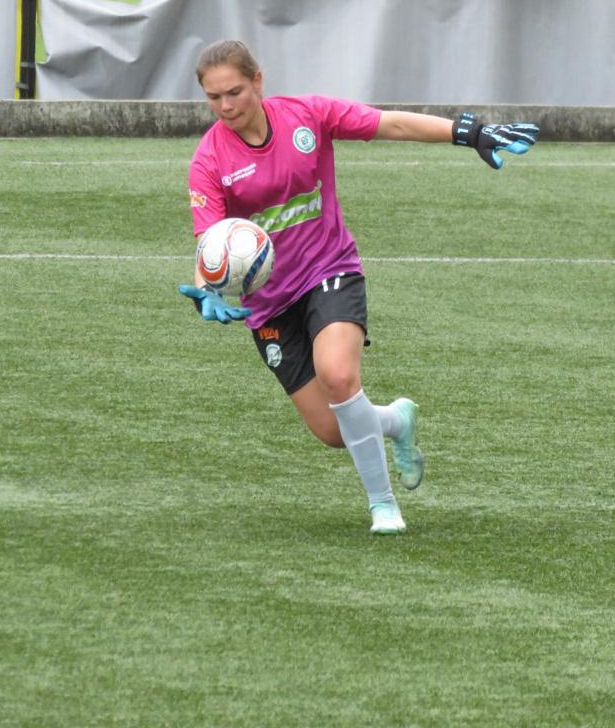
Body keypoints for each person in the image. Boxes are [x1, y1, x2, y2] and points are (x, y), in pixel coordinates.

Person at [178, 40, 538, 535]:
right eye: (213, 97)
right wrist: (209, 290)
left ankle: (383, 506)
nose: (225, 106)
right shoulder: (209, 160)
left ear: (258, 80)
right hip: (269, 305)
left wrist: (466, 132)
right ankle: (395, 421)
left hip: (329, 268)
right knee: (333, 430)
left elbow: (389, 123)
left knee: (338, 375)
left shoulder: (307, 115)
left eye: (234, 92)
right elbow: (211, 246)